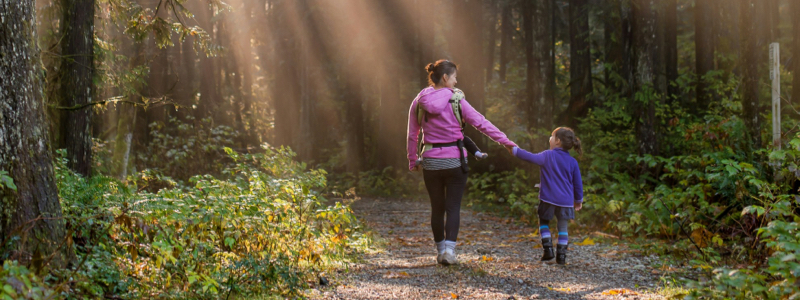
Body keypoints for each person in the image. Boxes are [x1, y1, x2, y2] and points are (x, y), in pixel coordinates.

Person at [407, 59, 517, 265]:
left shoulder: (419, 100)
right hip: (455, 162)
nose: (456, 82)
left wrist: (413, 160)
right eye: (455, 77)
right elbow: (481, 123)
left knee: (437, 208)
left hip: (431, 161)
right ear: (446, 77)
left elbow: (412, 134)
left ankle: (440, 252)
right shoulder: (456, 100)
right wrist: (506, 142)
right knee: (453, 207)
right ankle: (450, 251)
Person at [506, 127, 584, 265]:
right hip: (565, 202)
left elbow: (530, 157)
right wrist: (578, 200)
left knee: (543, 223)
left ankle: (548, 250)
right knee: (563, 227)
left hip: (548, 199)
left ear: (558, 141)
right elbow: (578, 184)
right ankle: (561, 256)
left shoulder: (548, 155)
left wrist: (514, 150)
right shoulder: (573, 162)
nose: (550, 139)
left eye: (552, 136)